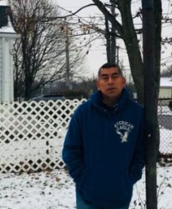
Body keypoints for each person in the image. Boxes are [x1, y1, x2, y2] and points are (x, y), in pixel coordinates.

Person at [62, 63, 145, 209]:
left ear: (123, 81)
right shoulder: (83, 113)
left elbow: (141, 150)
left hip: (120, 195)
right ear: (98, 84)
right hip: (87, 196)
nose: (110, 81)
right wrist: (84, 179)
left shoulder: (137, 114)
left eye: (115, 76)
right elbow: (71, 150)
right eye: (105, 78)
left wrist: (129, 178)